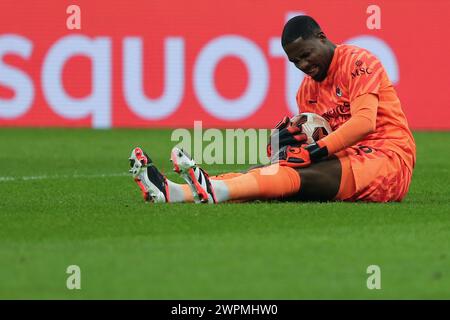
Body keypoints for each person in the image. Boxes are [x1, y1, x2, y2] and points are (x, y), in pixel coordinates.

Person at [128, 15, 416, 204]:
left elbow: (364, 123)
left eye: (305, 55)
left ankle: (211, 190)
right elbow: (312, 142)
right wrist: (283, 144)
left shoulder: (357, 61)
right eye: (295, 62)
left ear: (322, 37)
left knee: (297, 177)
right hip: (348, 159)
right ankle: (176, 193)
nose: (303, 65)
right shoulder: (306, 91)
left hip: (389, 159)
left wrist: (313, 152)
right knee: (276, 171)